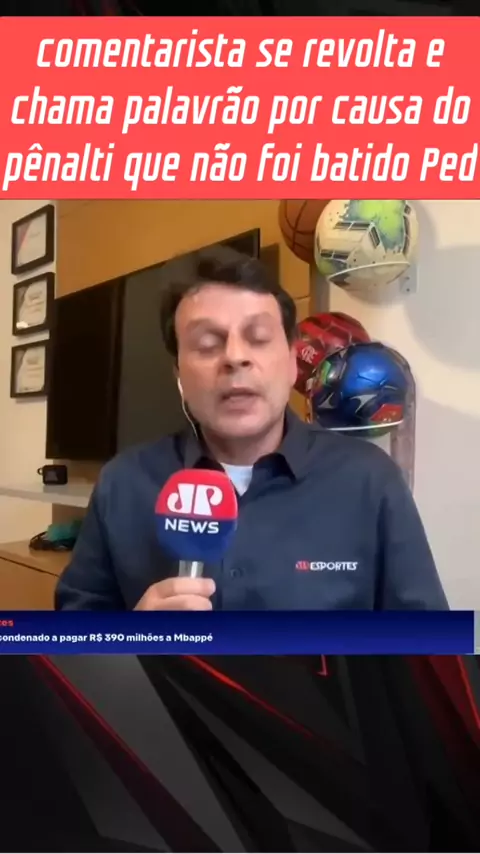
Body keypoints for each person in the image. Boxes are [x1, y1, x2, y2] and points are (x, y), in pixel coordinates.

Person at [55, 253, 448, 611]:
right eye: (207, 344)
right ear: (179, 376)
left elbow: (429, 648)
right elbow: (72, 637)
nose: (235, 357)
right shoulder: (122, 484)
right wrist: (132, 638)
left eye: (258, 339)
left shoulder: (369, 479)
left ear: (292, 363)